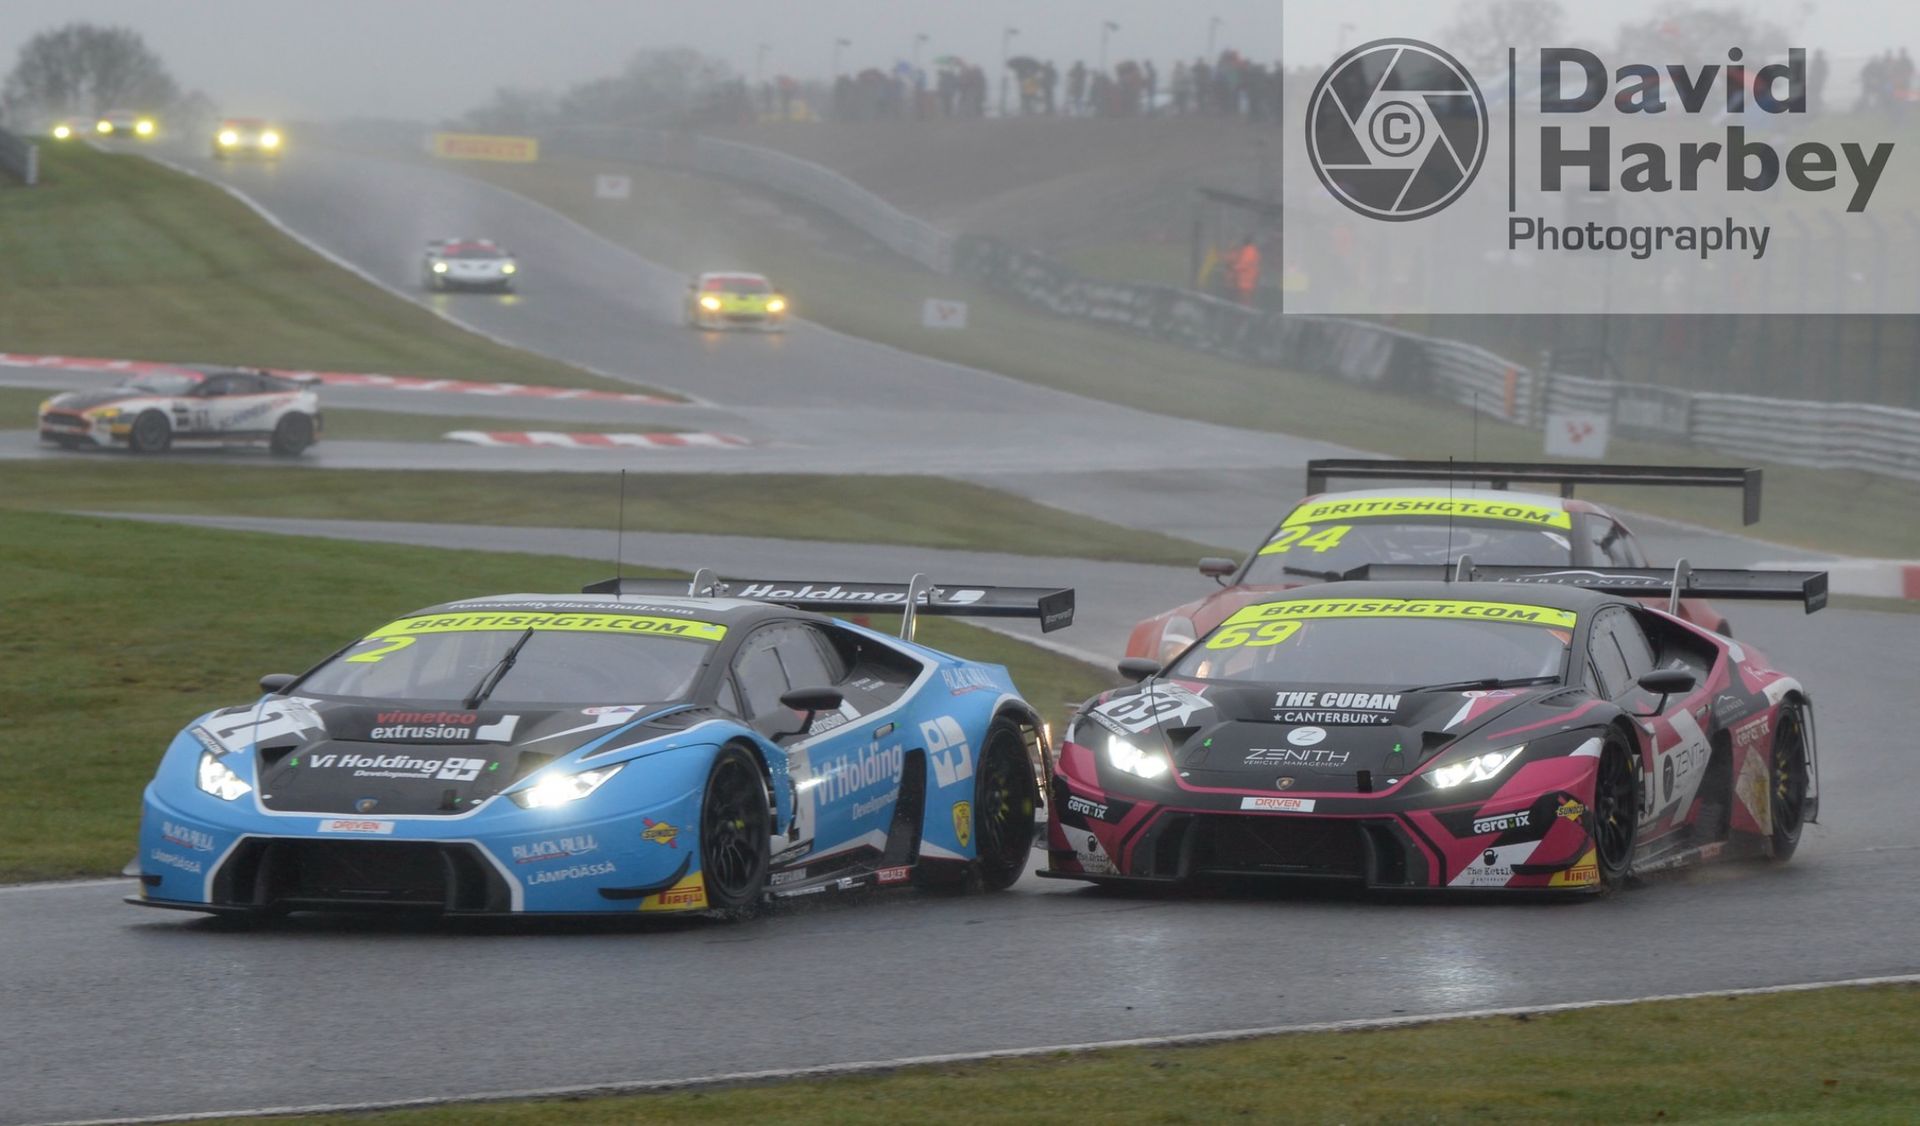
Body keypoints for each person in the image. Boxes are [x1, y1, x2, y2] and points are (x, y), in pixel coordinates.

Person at [1231, 236, 1261, 305]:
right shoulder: (1250, 250)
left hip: (1246, 281)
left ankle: (1245, 313)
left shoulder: (1249, 251)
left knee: (1245, 301)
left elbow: (1244, 264)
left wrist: (1235, 268)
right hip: (1246, 281)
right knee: (1244, 300)